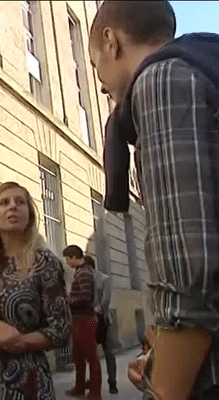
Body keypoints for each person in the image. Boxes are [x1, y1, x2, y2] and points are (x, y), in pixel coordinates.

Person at [89, 1, 219, 398]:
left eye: (95, 66)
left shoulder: (161, 81)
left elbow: (189, 271)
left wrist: (164, 387)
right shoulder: (199, 69)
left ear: (111, 42)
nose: (100, 84)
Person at [0, 181, 70, 399]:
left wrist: (17, 341)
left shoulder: (44, 262)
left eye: (20, 202)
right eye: (4, 202)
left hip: (27, 381)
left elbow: (61, 329)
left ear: (30, 214)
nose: (12, 207)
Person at [63, 246, 101, 400]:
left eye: (67, 259)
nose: (66, 262)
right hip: (79, 319)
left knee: (91, 357)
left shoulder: (84, 273)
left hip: (85, 319)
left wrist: (68, 301)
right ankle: (80, 388)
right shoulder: (81, 271)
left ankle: (95, 393)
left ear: (73, 257)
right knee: (78, 356)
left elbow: (85, 298)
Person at [84, 255, 118, 395]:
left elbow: (106, 300)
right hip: (88, 321)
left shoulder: (104, 279)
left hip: (103, 320)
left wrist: (96, 310)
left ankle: (112, 383)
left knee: (109, 352)